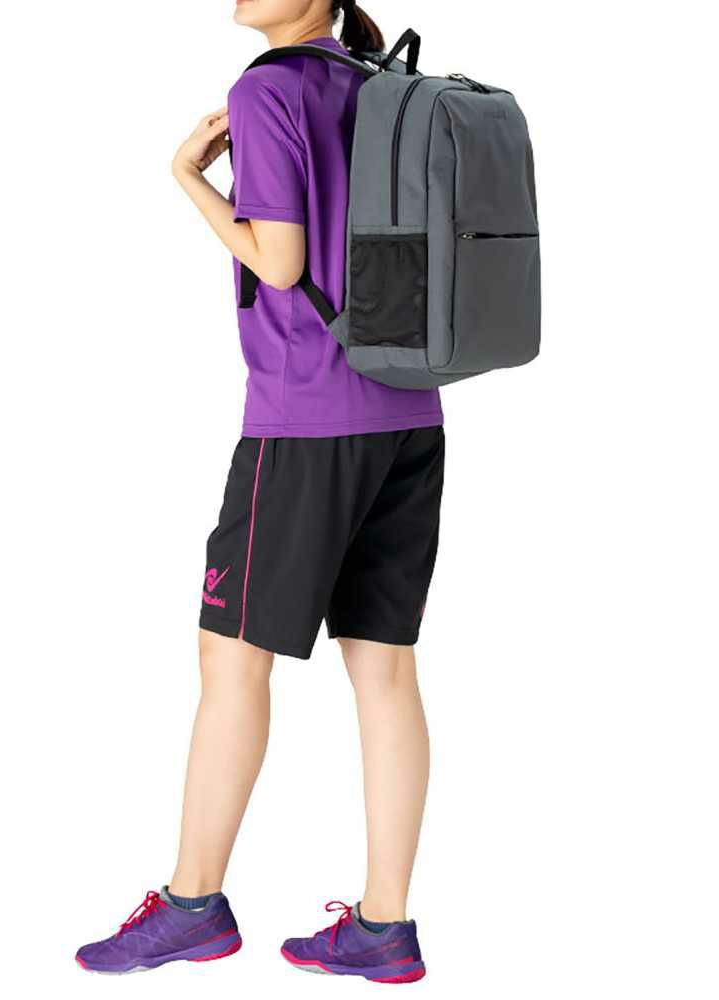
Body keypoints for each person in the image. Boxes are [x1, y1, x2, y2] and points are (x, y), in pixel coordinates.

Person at [76, 0, 442, 984]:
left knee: (231, 655)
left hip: (305, 419)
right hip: (408, 409)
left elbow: (278, 263)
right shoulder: (372, 81)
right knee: (385, 670)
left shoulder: (269, 89)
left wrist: (188, 178)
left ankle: (192, 904)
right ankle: (385, 925)